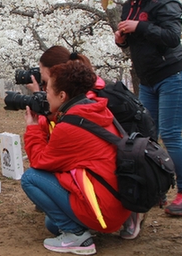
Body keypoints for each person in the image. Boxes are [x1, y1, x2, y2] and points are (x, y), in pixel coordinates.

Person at [20, 54, 130, 255]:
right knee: (52, 224)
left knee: (30, 177)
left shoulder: (70, 125)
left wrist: (33, 128)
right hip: (119, 203)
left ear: (62, 96)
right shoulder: (96, 110)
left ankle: (77, 238)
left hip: (103, 210)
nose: (45, 95)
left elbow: (39, 162)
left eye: (48, 89)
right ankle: (76, 228)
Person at [115, 0, 182, 217]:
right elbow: (134, 41)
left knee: (171, 134)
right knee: (144, 138)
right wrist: (122, 39)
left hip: (173, 75)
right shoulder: (128, 6)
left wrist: (140, 26)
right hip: (148, 81)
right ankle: (155, 189)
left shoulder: (165, 1)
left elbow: (172, 37)